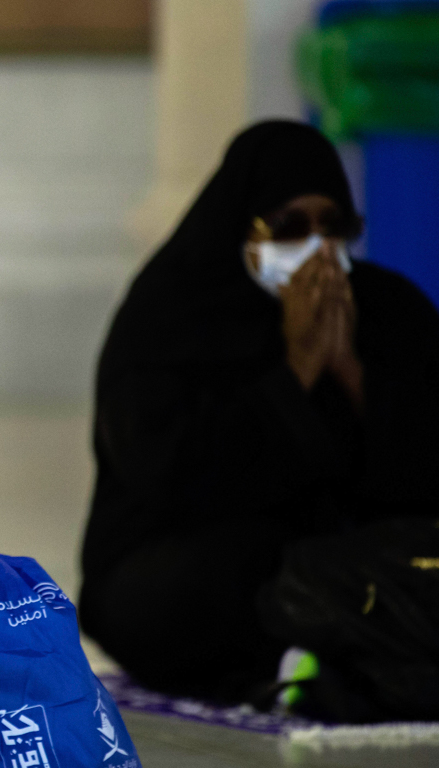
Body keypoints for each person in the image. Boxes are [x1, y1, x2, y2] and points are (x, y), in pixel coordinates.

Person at [78, 121, 439, 705]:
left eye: (335, 226)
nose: (317, 248)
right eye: (291, 227)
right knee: (231, 575)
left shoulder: (388, 310)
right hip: (191, 561)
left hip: (345, 558)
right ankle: (320, 660)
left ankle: (334, 658)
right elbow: (173, 478)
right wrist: (295, 371)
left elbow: (421, 476)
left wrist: (351, 375)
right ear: (240, 225)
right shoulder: (169, 318)